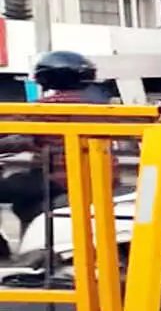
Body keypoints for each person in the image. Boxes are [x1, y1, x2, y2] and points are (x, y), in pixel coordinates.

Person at [0, 52, 111, 227]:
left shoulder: (47, 107)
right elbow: (51, 139)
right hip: (102, 177)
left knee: (15, 183)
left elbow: (8, 126)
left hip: (60, 180)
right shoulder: (102, 106)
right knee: (23, 191)